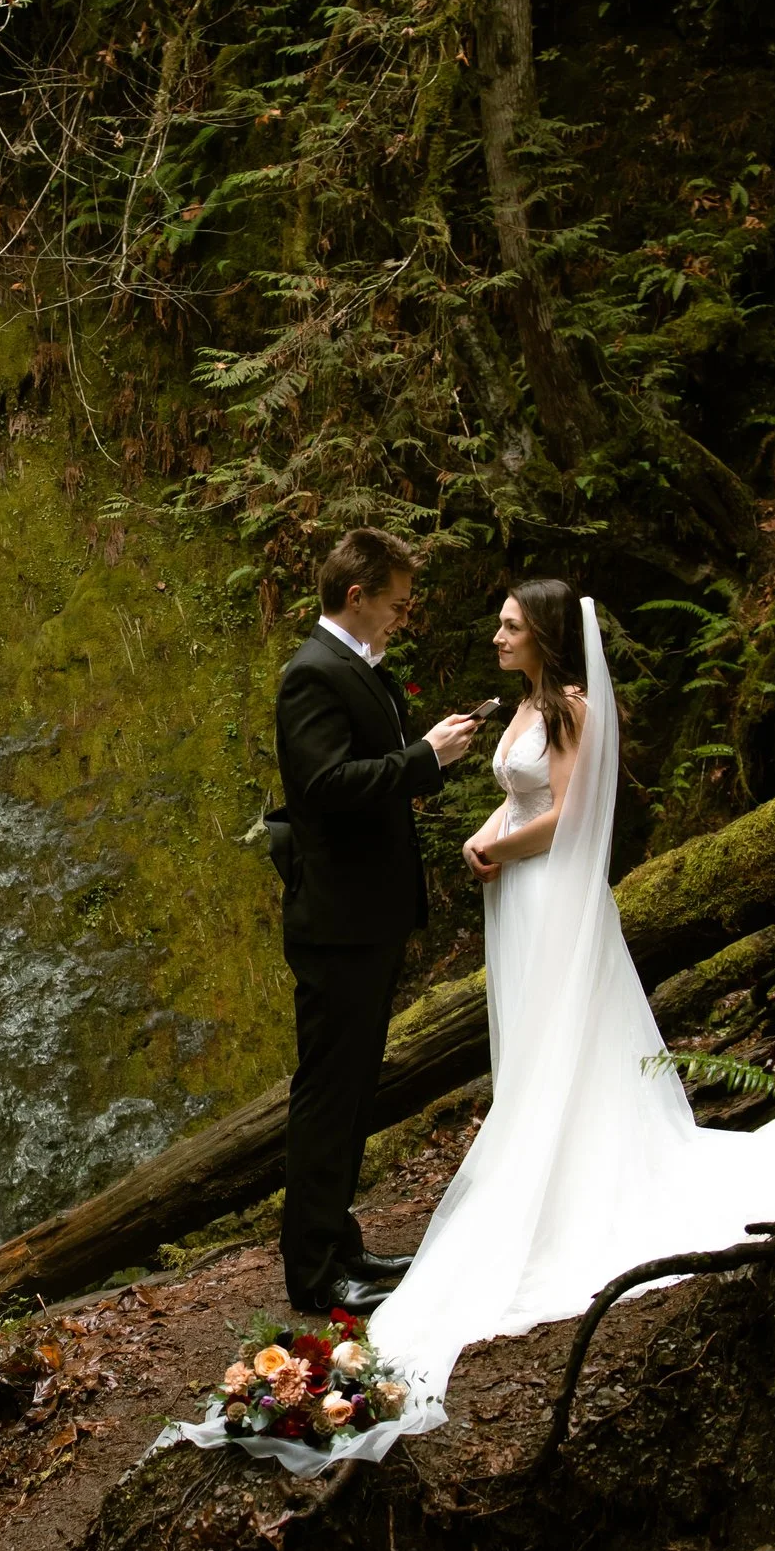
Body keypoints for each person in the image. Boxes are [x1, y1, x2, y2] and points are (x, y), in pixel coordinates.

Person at [364, 580, 775, 1412]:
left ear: (547, 636)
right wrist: (487, 831)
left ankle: (571, 1175)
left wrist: (501, 849)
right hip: (519, 892)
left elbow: (565, 817)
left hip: (553, 887)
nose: (495, 635)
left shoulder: (570, 710)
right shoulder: (526, 706)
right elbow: (520, 794)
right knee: (534, 1037)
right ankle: (547, 1153)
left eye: (511, 626)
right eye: (498, 622)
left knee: (570, 1030)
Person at [272, 528, 480, 1316]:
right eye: (393, 604)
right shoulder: (311, 676)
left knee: (353, 1092)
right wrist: (425, 757)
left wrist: (423, 747)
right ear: (355, 597)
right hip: (337, 922)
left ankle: (339, 1242)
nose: (401, 618)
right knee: (328, 1096)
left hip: (368, 916)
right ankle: (316, 1272)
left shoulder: (356, 669)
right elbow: (325, 785)